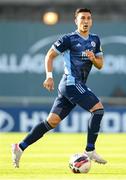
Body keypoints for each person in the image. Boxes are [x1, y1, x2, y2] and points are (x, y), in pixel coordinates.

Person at [12, 8, 107, 168]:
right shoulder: (68, 39)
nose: (85, 21)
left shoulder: (95, 40)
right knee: (98, 110)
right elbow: (50, 55)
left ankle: (20, 147)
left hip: (76, 85)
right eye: (82, 18)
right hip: (70, 83)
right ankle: (89, 150)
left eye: (88, 18)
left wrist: (93, 59)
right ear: (76, 21)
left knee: (52, 122)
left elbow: (100, 65)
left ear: (91, 21)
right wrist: (49, 76)